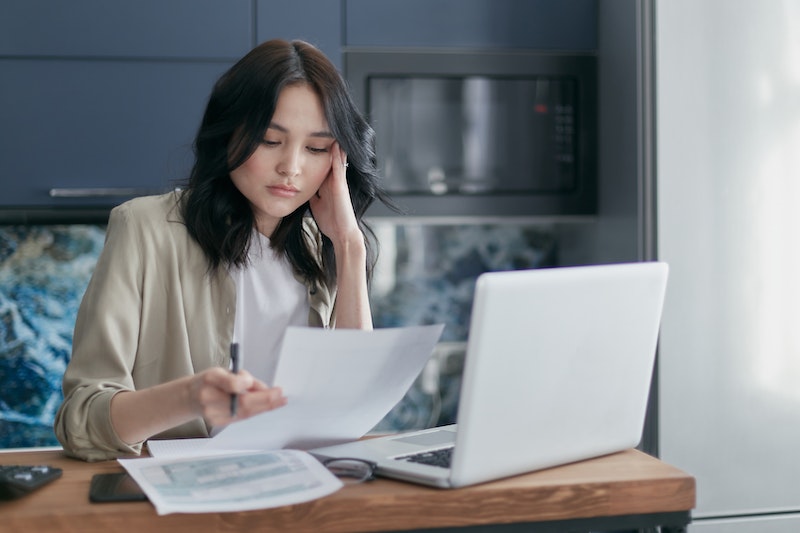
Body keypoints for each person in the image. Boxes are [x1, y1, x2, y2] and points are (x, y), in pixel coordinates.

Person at [54, 39, 392, 461]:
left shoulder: (321, 246)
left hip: (297, 491)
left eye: (316, 148)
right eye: (271, 140)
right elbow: (81, 423)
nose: (291, 167)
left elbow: (352, 409)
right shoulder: (144, 228)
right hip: (179, 502)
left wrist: (349, 244)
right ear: (229, 133)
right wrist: (191, 396)